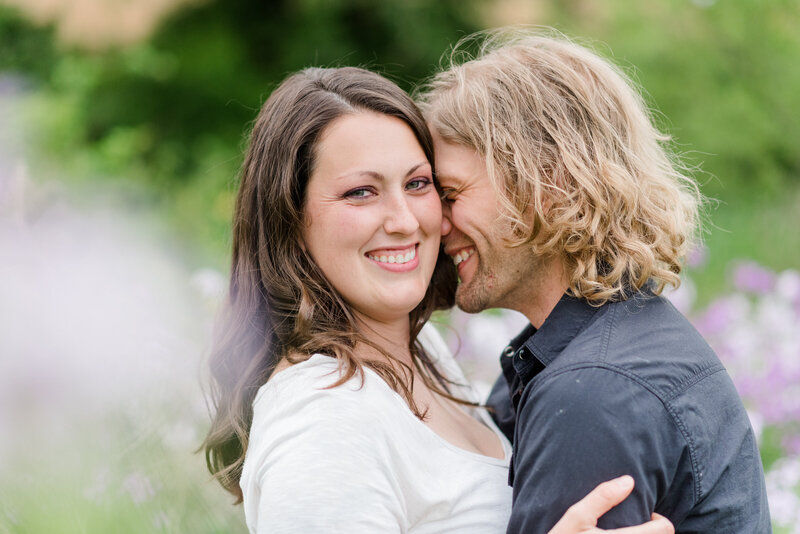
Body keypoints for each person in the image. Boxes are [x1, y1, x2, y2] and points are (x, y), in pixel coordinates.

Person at [201, 66, 674, 533]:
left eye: (417, 184)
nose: (405, 220)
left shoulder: (424, 353)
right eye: (361, 192)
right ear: (291, 224)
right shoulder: (324, 421)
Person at [418, 29, 772, 533]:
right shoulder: (605, 348)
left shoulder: (593, 393)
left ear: (547, 183)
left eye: (451, 193)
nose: (438, 222)